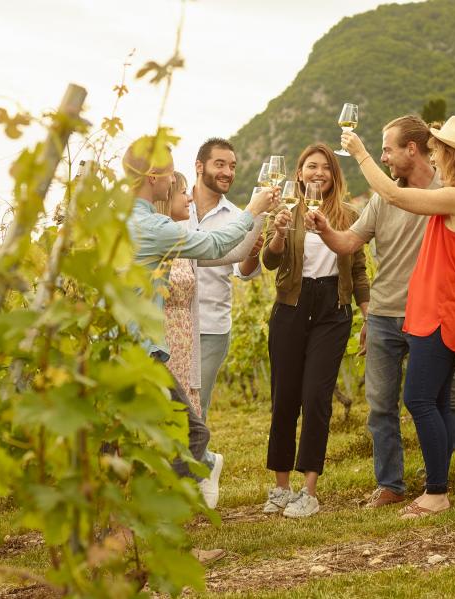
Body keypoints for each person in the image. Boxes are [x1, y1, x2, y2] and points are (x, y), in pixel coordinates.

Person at [308, 115, 455, 511]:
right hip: (413, 313)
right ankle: (427, 487)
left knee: (427, 400)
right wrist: (326, 229)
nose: (434, 150)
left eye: (440, 147)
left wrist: (358, 154)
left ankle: (448, 488)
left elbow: (397, 198)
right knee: (431, 402)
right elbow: (362, 228)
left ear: (453, 156)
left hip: (438, 313)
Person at [123, 137, 275, 511]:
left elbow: (222, 254)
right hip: (140, 351)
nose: (174, 178)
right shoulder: (155, 227)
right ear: (155, 176)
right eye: (170, 170)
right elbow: (214, 246)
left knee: (133, 438)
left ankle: (124, 531)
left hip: (118, 346)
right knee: (190, 433)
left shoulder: (117, 221)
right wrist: (254, 209)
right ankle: (164, 527)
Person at [261, 143, 370, 518]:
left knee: (316, 397)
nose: (318, 172)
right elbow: (270, 261)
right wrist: (277, 232)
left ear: (334, 176)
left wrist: (368, 316)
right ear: (299, 174)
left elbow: (357, 271)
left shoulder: (349, 215)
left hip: (332, 310)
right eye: (311, 166)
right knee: (285, 397)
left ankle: (309, 490)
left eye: (325, 167)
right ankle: (280, 489)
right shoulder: (285, 213)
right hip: (291, 308)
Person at [155, 172, 265, 507]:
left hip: (185, 343)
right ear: (164, 198)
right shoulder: (155, 239)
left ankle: (179, 496)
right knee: (168, 427)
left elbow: (230, 252)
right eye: (182, 194)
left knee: (185, 426)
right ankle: (197, 473)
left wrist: (260, 215)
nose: (188, 200)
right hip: (158, 344)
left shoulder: (184, 239)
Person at [190, 138, 264, 423]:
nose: (227, 172)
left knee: (197, 407)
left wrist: (252, 253)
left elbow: (244, 271)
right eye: (219, 164)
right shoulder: (176, 206)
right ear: (200, 166)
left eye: (232, 166)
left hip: (211, 326)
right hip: (170, 321)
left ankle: (197, 464)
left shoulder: (238, 217)